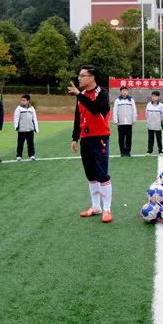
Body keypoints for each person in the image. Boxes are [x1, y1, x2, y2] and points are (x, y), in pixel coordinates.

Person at [69, 65, 113, 223]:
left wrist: (79, 95)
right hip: (85, 139)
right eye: (79, 75)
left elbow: (95, 109)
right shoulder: (80, 96)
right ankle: (96, 207)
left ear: (92, 77)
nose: (79, 78)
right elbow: (77, 117)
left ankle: (107, 209)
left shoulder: (102, 93)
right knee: (91, 175)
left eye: (82, 75)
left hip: (100, 137)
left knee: (102, 174)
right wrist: (75, 138)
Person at [112, 86, 137, 157]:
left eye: (126, 91)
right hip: (121, 122)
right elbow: (115, 111)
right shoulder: (117, 101)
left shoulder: (131, 100)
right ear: (121, 92)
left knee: (129, 137)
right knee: (121, 138)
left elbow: (134, 110)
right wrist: (116, 121)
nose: (124, 92)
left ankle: (128, 151)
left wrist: (134, 119)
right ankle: (122, 152)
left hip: (129, 122)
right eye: (123, 91)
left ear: (128, 92)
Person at [14, 93, 39, 161]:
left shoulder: (32, 109)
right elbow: (16, 118)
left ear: (28, 101)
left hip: (30, 130)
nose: (22, 101)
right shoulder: (18, 109)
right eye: (22, 100)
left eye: (24, 100)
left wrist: (36, 128)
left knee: (30, 143)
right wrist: (16, 127)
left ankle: (31, 155)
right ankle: (19, 156)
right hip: (22, 130)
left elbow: (34, 118)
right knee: (20, 144)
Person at [145, 90, 163, 154]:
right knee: (150, 138)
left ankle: (160, 150)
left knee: (159, 138)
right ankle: (149, 150)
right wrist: (148, 121)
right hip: (150, 124)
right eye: (153, 96)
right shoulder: (148, 104)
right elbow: (146, 113)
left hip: (158, 124)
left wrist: (159, 121)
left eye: (155, 96)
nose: (154, 97)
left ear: (158, 97)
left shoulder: (161, 105)